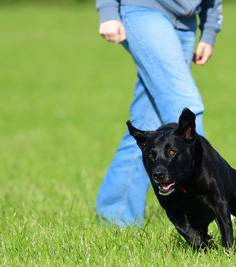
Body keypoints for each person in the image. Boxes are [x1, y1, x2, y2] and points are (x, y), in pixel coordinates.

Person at [95, 0, 223, 227]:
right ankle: (218, 196)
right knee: (185, 104)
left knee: (147, 128)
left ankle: (115, 218)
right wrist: (107, 9)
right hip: (143, 9)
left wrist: (210, 28)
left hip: (186, 22)